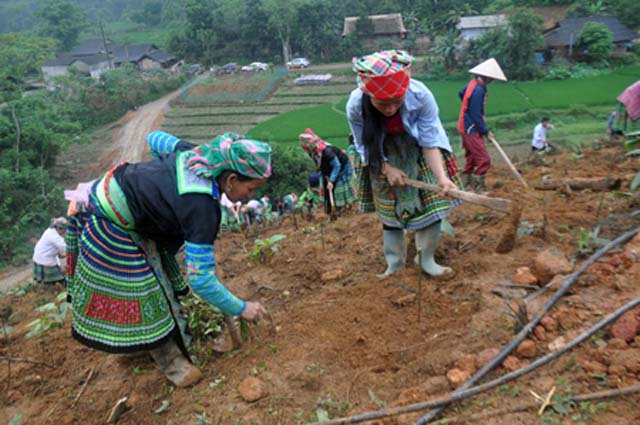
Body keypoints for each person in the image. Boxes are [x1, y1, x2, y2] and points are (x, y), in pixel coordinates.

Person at [64, 130, 271, 387]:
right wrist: (242, 308)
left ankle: (149, 344)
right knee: (148, 295)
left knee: (163, 281)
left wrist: (160, 186)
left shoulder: (197, 154)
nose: (250, 196)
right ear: (230, 179)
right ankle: (173, 364)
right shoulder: (202, 208)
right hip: (109, 220)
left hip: (125, 201)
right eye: (249, 188)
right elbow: (200, 280)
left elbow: (154, 138)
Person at [346, 49, 461, 279]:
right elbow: (363, 147)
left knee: (432, 205)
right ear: (369, 96)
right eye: (382, 103)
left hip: (416, 148)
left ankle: (426, 259)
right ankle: (395, 264)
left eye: (396, 102)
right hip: (378, 153)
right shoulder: (356, 106)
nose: (390, 109)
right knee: (389, 209)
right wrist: (386, 168)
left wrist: (442, 179)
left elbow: (430, 142)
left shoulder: (421, 96)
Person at [458, 58, 507, 194]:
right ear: (486, 76)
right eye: (491, 77)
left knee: (472, 158)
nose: (492, 80)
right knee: (484, 160)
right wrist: (485, 131)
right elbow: (476, 114)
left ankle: (465, 185)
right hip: (471, 128)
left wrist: (467, 106)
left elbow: (461, 93)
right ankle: (477, 188)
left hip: (466, 125)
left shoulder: (473, 83)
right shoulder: (478, 90)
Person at [299, 128, 357, 218]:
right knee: (326, 189)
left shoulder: (327, 152)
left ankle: (342, 209)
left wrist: (332, 180)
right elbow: (318, 162)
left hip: (341, 167)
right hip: (327, 169)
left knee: (337, 189)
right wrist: (325, 175)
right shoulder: (313, 151)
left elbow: (337, 166)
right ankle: (329, 211)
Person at [32, 217, 67, 285]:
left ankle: (46, 285)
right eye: (64, 230)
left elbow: (60, 252)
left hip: (41, 255)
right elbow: (65, 248)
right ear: (60, 229)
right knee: (57, 279)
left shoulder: (49, 230)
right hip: (44, 258)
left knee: (49, 280)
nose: (65, 232)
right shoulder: (55, 237)